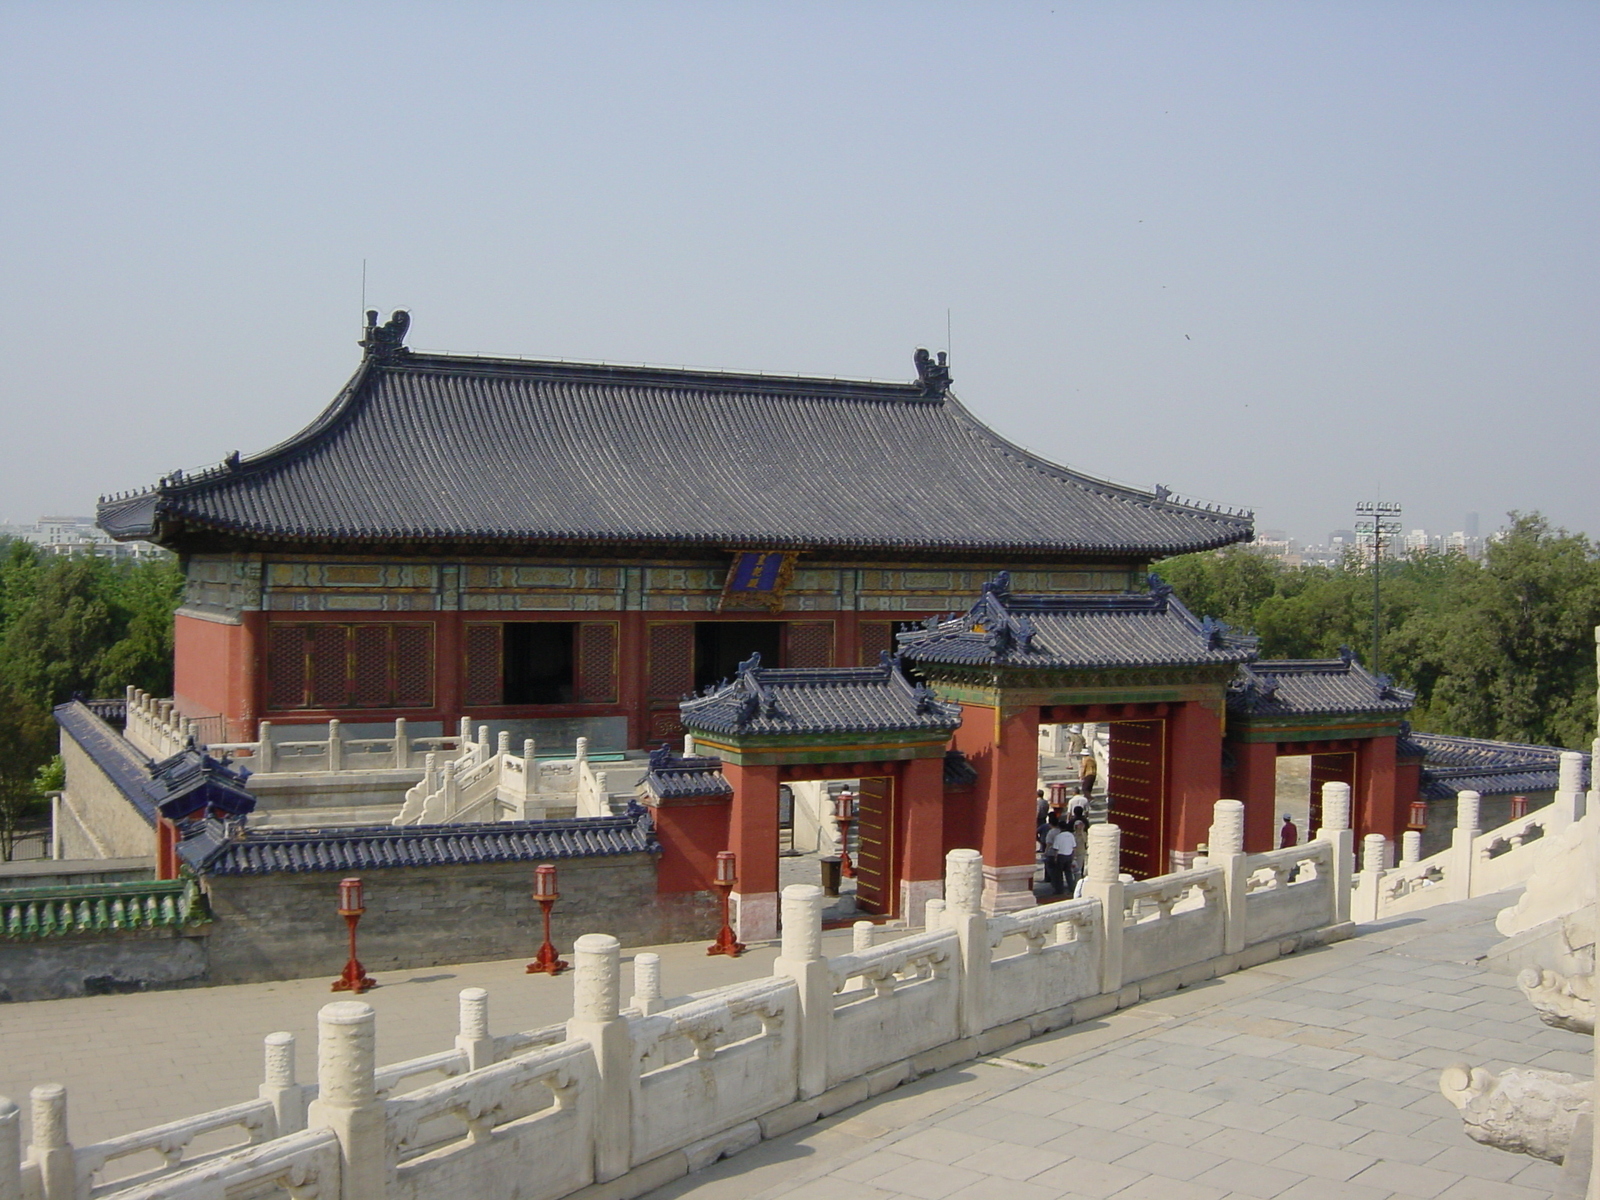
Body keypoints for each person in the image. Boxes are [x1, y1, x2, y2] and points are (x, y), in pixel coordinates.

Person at [1045, 816, 1077, 896]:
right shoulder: (1070, 835)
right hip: (1069, 855)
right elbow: (1074, 847)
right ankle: (1071, 888)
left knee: (1059, 874)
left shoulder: (1059, 837)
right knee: (1068, 873)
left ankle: (1059, 890)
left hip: (1061, 856)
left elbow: (1056, 849)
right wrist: (1073, 857)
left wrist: (1055, 858)